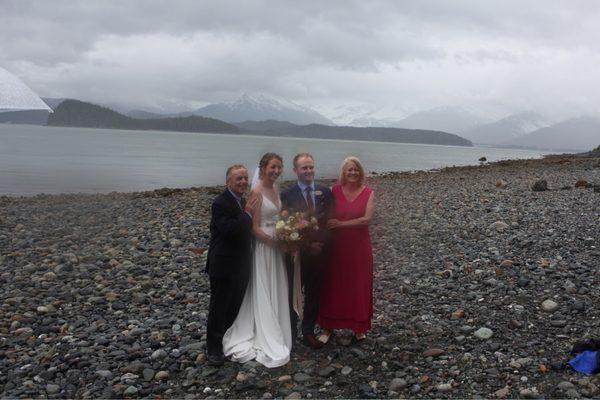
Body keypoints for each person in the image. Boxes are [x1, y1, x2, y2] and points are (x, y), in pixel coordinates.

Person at [222, 153, 292, 368]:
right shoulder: (256, 191)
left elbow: (277, 218)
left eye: (279, 167)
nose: (276, 171)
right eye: (272, 167)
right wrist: (275, 242)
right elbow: (253, 228)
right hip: (264, 248)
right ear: (262, 169)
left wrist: (288, 231)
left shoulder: (276, 189)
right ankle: (263, 332)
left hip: (277, 246)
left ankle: (276, 326)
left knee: (276, 287)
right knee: (263, 285)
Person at [205, 165, 258, 366]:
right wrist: (249, 213)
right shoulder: (220, 202)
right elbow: (230, 230)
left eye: (245, 178)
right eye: (239, 179)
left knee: (234, 306)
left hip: (241, 264)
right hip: (223, 264)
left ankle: (227, 342)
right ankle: (213, 348)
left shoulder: (242, 201)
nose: (243, 182)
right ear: (228, 181)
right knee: (218, 308)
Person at [318, 156, 375, 343]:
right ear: (343, 172)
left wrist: (341, 224)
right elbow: (323, 213)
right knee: (332, 284)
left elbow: (366, 220)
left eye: (356, 169)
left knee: (358, 284)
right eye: (349, 169)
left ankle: (358, 327)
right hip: (336, 247)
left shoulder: (368, 192)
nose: (353, 172)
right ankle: (327, 327)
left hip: (359, 247)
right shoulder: (334, 191)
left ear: (360, 172)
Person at [280, 153, 334, 349]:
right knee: (293, 293)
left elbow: (330, 221)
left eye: (311, 167)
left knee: (314, 293)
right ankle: (291, 332)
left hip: (320, 254)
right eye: (304, 168)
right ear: (295, 170)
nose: (309, 171)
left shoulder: (325, 192)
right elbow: (284, 226)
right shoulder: (286, 194)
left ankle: (308, 331)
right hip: (297, 255)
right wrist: (306, 246)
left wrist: (321, 245)